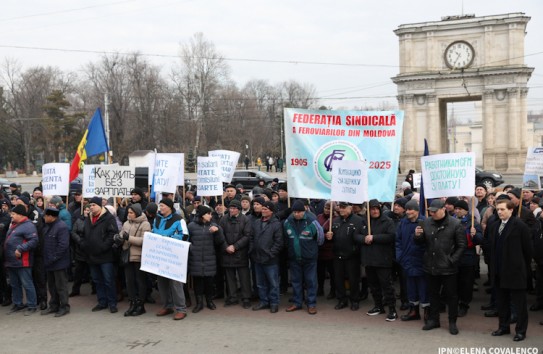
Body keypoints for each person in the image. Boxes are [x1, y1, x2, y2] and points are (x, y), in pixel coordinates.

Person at [414, 199, 466, 335]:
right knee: (433, 294)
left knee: (451, 296)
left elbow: (462, 246)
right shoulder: (425, 222)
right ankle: (434, 320)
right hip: (430, 265)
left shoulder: (456, 224)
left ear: (444, 209)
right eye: (430, 211)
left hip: (448, 268)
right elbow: (420, 243)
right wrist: (417, 236)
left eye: (435, 211)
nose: (432, 214)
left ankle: (452, 322)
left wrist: (451, 260)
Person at [489, 199, 533, 342]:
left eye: (502, 209)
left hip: (515, 273)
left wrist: (520, 267)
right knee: (502, 303)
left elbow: (528, 250)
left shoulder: (520, 226)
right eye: (498, 209)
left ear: (511, 210)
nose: (500, 212)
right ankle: (503, 327)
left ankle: (520, 331)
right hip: (499, 272)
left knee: (519, 305)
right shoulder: (495, 225)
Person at [357, 199, 397, 321]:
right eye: (372, 209)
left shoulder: (387, 221)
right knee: (373, 285)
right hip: (369, 259)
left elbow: (391, 236)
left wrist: (374, 238)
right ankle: (378, 306)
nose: (374, 211)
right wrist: (364, 239)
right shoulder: (364, 221)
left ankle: (392, 309)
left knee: (387, 286)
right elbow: (356, 236)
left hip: (383, 259)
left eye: (376, 209)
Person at [283, 200, 324, 315]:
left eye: (299, 212)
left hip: (309, 258)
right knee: (296, 281)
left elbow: (320, 238)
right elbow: (286, 238)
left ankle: (311, 304)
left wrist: (312, 250)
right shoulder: (287, 222)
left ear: (304, 211)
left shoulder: (312, 221)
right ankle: (297, 302)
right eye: (294, 212)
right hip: (294, 258)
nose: (296, 214)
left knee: (310, 281)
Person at [80, 196, 119, 313]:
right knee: (97, 280)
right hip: (91, 255)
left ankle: (112, 303)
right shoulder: (88, 219)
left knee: (108, 280)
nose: (91, 207)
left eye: (93, 205)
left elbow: (112, 235)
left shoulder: (108, 218)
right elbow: (84, 233)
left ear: (99, 206)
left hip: (105, 256)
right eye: (90, 205)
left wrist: (103, 247)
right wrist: (84, 244)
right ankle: (102, 302)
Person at [153, 198, 190, 320]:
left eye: (162, 205)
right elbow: (154, 232)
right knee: (162, 281)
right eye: (160, 206)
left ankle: (181, 309)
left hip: (174, 255)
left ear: (169, 207)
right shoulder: (157, 218)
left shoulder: (178, 219)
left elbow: (184, 235)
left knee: (175, 283)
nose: (160, 208)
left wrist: (170, 239)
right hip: (160, 255)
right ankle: (167, 306)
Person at [188, 205, 227, 313]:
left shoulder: (214, 226)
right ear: (201, 215)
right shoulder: (191, 226)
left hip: (209, 258)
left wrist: (218, 231)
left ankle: (209, 301)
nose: (210, 216)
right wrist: (192, 248)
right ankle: (199, 303)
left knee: (209, 282)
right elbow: (186, 240)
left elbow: (220, 242)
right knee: (198, 282)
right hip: (196, 258)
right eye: (208, 214)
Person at [396, 199, 429, 322]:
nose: (408, 212)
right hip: (407, 261)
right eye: (407, 209)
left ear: (417, 210)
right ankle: (414, 311)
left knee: (424, 288)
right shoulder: (403, 223)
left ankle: (427, 311)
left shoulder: (425, 222)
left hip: (421, 261)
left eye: (410, 209)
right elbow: (398, 241)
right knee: (411, 288)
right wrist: (400, 256)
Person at [326, 202, 363, 311]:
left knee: (353, 280)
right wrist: (329, 236)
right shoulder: (336, 220)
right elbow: (333, 237)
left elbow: (361, 237)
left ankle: (355, 300)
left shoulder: (358, 220)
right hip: (338, 255)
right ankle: (342, 299)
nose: (341, 210)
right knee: (338, 279)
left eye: (343, 207)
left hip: (352, 256)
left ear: (350, 208)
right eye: (340, 207)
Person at [117, 203, 151, 316]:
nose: (129, 214)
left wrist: (129, 238)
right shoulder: (126, 223)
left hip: (139, 257)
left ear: (136, 213)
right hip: (127, 256)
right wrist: (118, 238)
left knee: (140, 281)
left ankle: (141, 305)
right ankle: (132, 303)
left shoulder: (145, 224)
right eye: (128, 212)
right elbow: (122, 234)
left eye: (131, 212)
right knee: (129, 281)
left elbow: (145, 240)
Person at [250, 201, 283, 313]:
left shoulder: (276, 224)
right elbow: (251, 237)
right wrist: (252, 250)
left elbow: (279, 242)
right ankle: (264, 301)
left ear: (271, 211)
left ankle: (274, 302)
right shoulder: (256, 222)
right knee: (260, 283)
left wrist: (270, 254)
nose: (263, 211)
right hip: (257, 258)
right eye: (262, 208)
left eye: (265, 209)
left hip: (270, 259)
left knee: (273, 283)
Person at [5, 204, 39, 315]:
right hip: (11, 261)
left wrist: (20, 248)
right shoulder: (15, 224)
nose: (11, 216)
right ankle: (18, 303)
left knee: (27, 284)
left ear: (20, 214)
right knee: (14, 284)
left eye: (13, 214)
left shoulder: (28, 226)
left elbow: (34, 241)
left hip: (23, 261)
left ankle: (32, 305)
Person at [219, 200, 253, 309]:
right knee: (229, 277)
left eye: (234, 208)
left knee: (244, 277)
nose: (231, 210)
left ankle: (246, 297)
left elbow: (247, 236)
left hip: (240, 252)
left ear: (239, 209)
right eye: (230, 208)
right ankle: (232, 297)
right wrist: (226, 246)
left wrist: (235, 246)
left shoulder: (245, 219)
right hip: (227, 252)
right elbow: (220, 235)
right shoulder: (223, 219)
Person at [453, 200, 483, 317]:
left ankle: (464, 304)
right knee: (454, 283)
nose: (457, 211)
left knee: (466, 283)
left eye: (460, 209)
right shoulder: (450, 220)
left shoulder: (473, 223)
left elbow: (480, 240)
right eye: (456, 209)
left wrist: (474, 235)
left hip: (467, 257)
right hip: (454, 256)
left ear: (466, 210)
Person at [41, 206, 71, 317]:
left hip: (58, 262)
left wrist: (54, 257)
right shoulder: (48, 226)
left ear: (51, 216)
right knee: (52, 286)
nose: (43, 217)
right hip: (49, 262)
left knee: (61, 286)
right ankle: (54, 305)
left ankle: (64, 306)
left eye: (45, 215)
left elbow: (63, 245)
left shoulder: (61, 227)